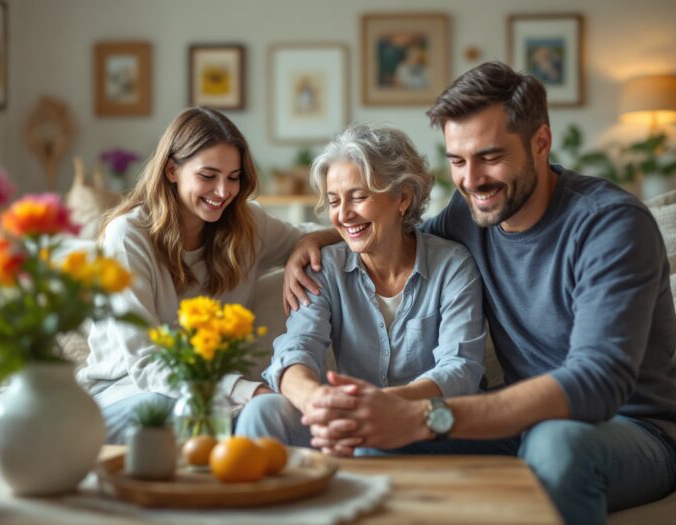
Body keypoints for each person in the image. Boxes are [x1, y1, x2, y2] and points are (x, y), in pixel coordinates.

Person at [287, 62, 676, 524]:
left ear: (541, 143)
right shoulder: (471, 212)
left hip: (629, 429)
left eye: (490, 156)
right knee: (373, 443)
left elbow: (597, 381)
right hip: (519, 424)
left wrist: (422, 416)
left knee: (555, 443)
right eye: (457, 160)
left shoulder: (610, 225)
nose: (471, 179)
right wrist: (314, 240)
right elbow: (399, 231)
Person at [76, 106, 337, 443]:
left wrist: (310, 242)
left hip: (211, 395)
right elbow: (146, 363)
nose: (223, 192)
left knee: (269, 412)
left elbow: (320, 233)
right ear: (172, 169)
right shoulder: (127, 236)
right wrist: (242, 389)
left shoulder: (247, 227)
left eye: (233, 177)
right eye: (208, 175)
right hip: (127, 393)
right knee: (180, 408)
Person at [236, 123, 487, 448]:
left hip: (427, 423)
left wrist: (383, 407)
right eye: (334, 201)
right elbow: (297, 348)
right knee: (263, 411)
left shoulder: (452, 265)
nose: (343, 215)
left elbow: (461, 368)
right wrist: (316, 400)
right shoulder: (324, 267)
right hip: (350, 419)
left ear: (403, 198)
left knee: (379, 444)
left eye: (358, 197)